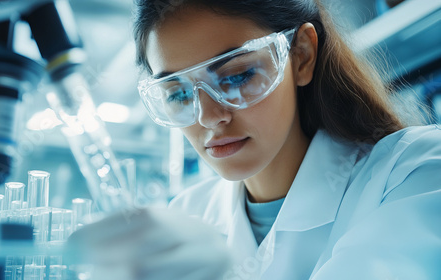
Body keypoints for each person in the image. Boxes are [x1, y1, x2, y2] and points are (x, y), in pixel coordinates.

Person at [67, 0, 441, 279]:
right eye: (179, 94)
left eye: (236, 76)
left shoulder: (417, 172)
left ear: (301, 57)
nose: (210, 117)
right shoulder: (187, 215)